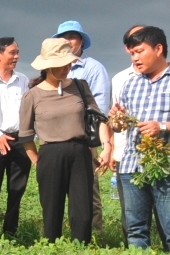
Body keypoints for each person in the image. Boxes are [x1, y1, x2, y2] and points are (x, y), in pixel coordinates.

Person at [112, 26, 170, 255]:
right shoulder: (130, 83)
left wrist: (162, 127)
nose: (134, 58)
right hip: (131, 165)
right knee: (134, 229)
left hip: (167, 166)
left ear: (158, 48)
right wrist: (116, 119)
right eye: (132, 53)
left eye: (139, 51)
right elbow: (117, 125)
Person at [20, 39, 112, 243]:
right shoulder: (32, 95)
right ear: (47, 66)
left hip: (80, 152)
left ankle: (81, 250)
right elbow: (25, 134)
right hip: (49, 154)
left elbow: (99, 119)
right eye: (60, 65)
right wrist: (37, 160)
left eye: (68, 64)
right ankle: (53, 251)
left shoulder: (80, 87)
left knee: (83, 211)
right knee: (52, 210)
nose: (66, 68)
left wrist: (106, 147)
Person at [54, 21, 111, 235]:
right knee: (56, 189)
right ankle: (58, 236)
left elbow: (100, 108)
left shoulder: (93, 68)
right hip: (56, 139)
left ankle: (93, 234)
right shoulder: (52, 68)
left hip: (84, 138)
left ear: (81, 42)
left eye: (72, 37)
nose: (68, 41)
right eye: (63, 37)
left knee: (87, 190)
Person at [0, 37, 32, 237]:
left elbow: (27, 112)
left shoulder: (23, 80)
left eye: (17, 52)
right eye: (12, 52)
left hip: (19, 140)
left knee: (17, 189)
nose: (16, 56)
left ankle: (11, 232)